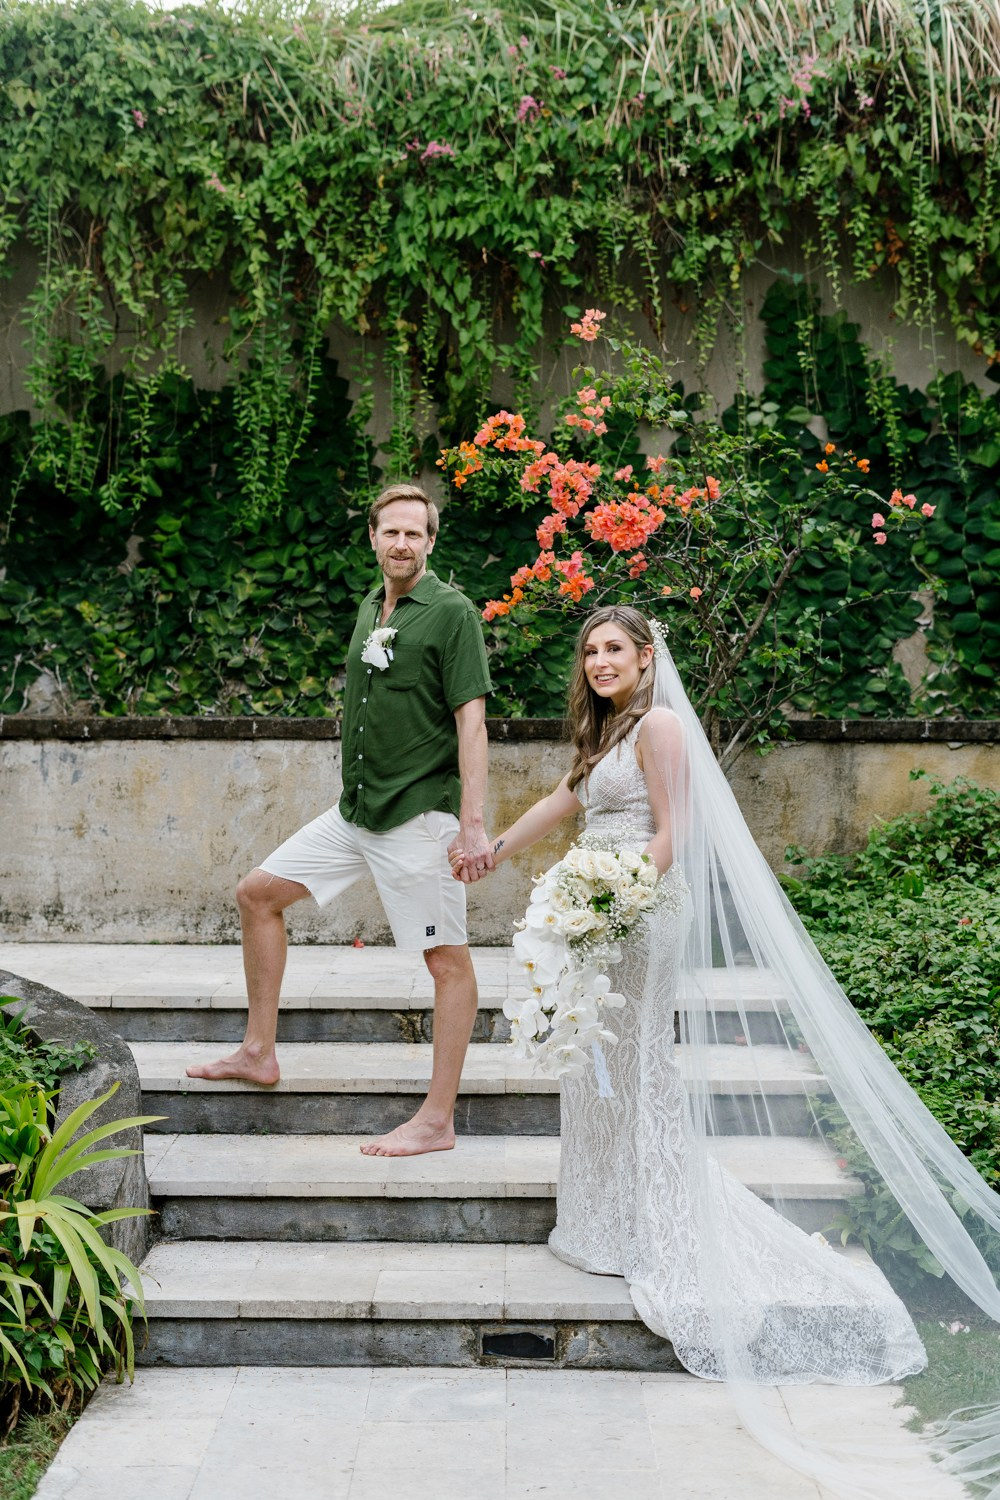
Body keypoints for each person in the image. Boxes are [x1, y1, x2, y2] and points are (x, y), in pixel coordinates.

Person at [457, 603, 1000, 1500]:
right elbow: (567, 800)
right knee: (591, 1064)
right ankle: (601, 1221)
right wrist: (494, 849)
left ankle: (655, 1218)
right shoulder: (604, 735)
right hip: (590, 912)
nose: (599, 661)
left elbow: (673, 835)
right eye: (589, 650)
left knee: (635, 1065)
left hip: (639, 910)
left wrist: (624, 901)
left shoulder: (662, 725)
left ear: (646, 657)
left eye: (614, 649)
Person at [188, 483, 495, 1159]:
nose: (402, 543)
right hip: (356, 810)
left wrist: (471, 824)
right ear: (374, 537)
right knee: (257, 893)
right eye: (392, 532)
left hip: (417, 817)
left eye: (415, 534)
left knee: (446, 962)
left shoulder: (451, 613)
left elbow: (471, 721)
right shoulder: (371, 605)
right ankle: (258, 1051)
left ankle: (438, 1119)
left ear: (431, 542)